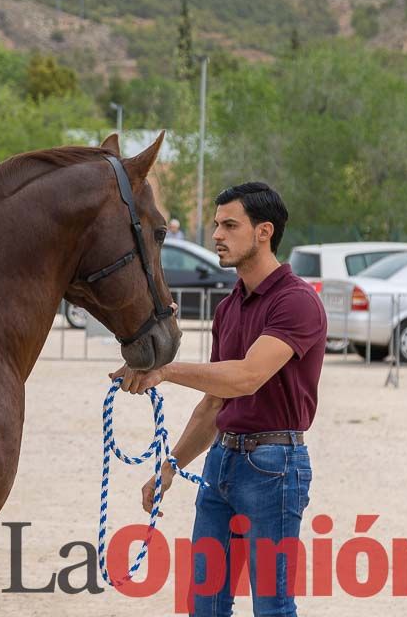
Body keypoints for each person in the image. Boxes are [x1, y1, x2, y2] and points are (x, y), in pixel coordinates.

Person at [111, 182, 325, 616]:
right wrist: (171, 466)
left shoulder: (297, 301)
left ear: (264, 232)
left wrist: (165, 371)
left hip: (275, 469)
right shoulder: (230, 307)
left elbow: (246, 376)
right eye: (216, 225)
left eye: (230, 225)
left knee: (272, 607)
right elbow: (213, 403)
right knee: (204, 604)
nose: (216, 236)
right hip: (221, 464)